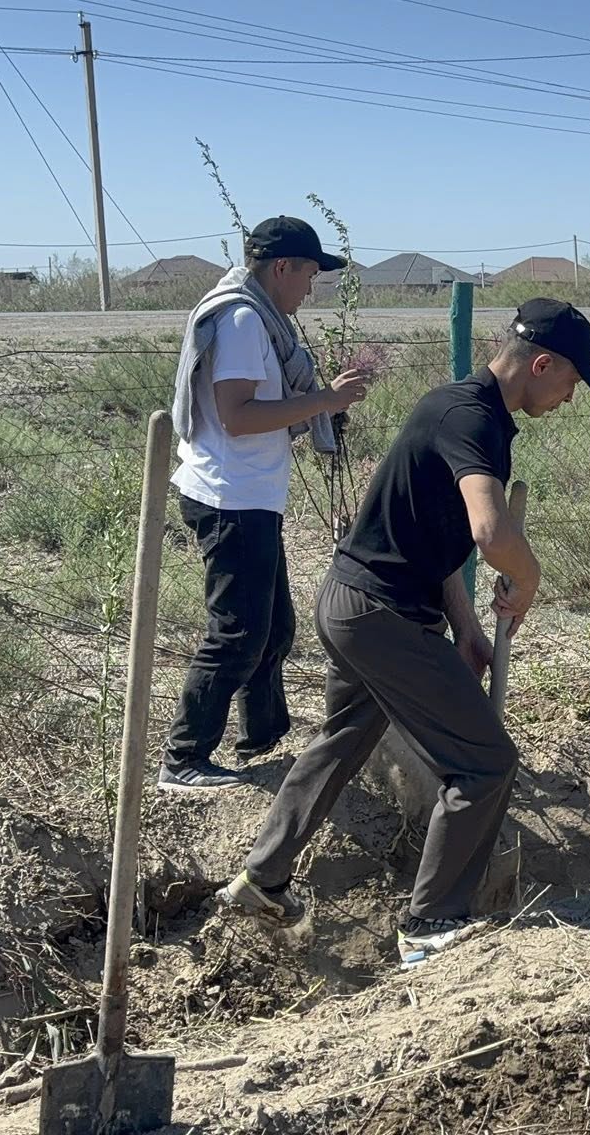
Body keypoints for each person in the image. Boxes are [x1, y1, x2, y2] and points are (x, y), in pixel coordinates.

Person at [217, 299, 590, 959]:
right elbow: (488, 532)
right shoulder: (473, 418)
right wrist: (530, 575)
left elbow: (434, 543)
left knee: (343, 741)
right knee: (484, 764)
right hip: (381, 615)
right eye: (572, 383)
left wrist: (466, 631)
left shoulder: (461, 410)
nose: (570, 398)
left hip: (353, 601)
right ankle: (430, 926)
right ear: (541, 364)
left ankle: (263, 878)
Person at [162, 216, 372, 793]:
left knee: (274, 628)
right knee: (236, 633)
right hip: (230, 500)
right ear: (282, 267)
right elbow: (238, 415)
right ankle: (184, 758)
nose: (311, 287)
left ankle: (260, 735)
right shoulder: (243, 321)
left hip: (249, 498)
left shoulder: (258, 317)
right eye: (308, 273)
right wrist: (323, 400)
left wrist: (318, 403)